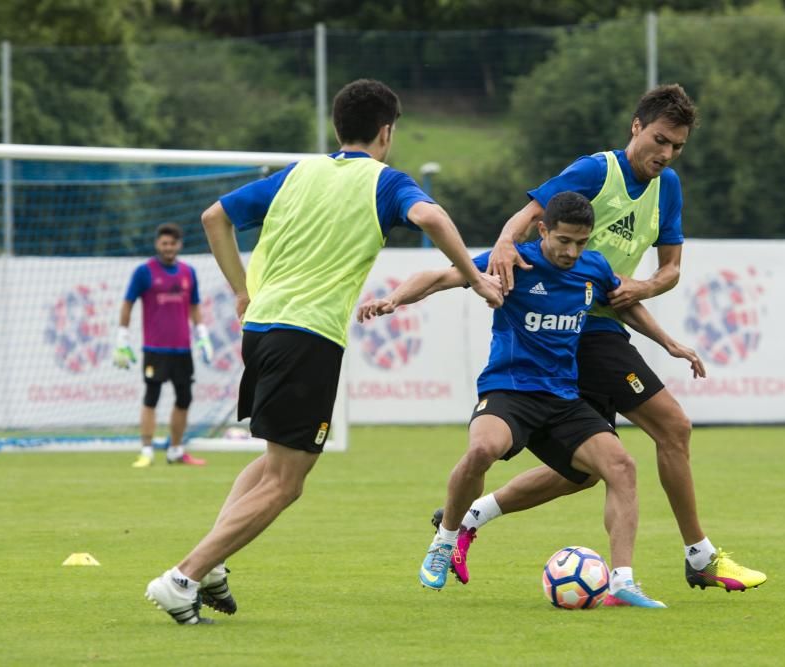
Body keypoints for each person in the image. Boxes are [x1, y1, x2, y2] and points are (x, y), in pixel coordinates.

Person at [142, 78, 503, 625]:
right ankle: (183, 578)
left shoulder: (297, 173)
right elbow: (430, 217)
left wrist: (241, 290)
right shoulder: (385, 182)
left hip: (261, 329)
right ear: (386, 132)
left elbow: (213, 217)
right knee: (287, 484)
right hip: (306, 337)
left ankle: (212, 568)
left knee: (272, 465)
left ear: (338, 127)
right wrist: (477, 278)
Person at [442, 83, 767, 594]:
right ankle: (700, 558)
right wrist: (504, 245)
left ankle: (470, 517)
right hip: (585, 329)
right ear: (636, 127)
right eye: (659, 140)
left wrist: (643, 286)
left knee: (586, 471)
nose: (666, 154)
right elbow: (529, 218)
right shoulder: (597, 171)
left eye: (677, 147)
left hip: (605, 321)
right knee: (673, 427)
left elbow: (671, 269)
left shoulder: (669, 187)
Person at [359, 192, 682, 608]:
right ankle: (445, 539)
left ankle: (621, 581)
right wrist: (394, 299)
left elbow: (623, 304)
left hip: (563, 397)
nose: (571, 251)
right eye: (563, 240)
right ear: (543, 229)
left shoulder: (594, 267)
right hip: (509, 389)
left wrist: (670, 343)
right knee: (482, 449)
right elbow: (439, 277)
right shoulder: (513, 262)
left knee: (621, 466)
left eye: (580, 242)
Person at [115, 222, 213, 468]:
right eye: (164, 243)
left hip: (182, 349)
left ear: (179, 245)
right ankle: (146, 451)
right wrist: (122, 338)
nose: (168, 247)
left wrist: (202, 334)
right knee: (151, 398)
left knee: (184, 399)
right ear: (158, 244)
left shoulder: (188, 273)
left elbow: (194, 306)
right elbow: (128, 303)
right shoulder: (144, 272)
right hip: (154, 349)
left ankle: (176, 451)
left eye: (172, 243)